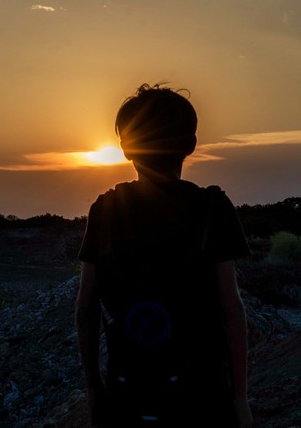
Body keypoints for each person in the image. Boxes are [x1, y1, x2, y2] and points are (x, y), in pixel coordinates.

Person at [75, 84, 254, 427]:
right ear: (191, 145)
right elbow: (231, 308)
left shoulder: (106, 209)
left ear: (126, 148)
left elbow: (86, 308)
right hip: (202, 399)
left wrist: (94, 389)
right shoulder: (213, 207)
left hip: (127, 394)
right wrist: (239, 398)